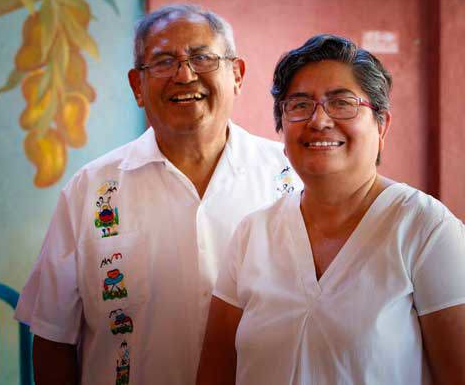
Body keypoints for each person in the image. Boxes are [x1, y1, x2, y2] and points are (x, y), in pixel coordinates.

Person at [14, 4, 298, 385]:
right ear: (137, 86)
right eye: (163, 61)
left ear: (237, 75)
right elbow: (52, 337)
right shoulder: (91, 191)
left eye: (202, 57)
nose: (185, 74)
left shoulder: (290, 180)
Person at [197, 34, 465, 385]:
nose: (319, 120)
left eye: (342, 103)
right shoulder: (252, 235)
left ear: (381, 125)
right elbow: (214, 374)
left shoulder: (425, 229)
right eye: (299, 105)